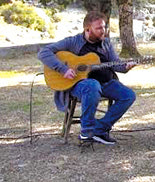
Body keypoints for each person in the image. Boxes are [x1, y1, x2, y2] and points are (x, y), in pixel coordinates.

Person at [38, 11, 136, 145]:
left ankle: (99, 130)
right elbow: (44, 52)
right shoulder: (73, 42)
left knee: (128, 95)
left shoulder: (106, 43)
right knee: (92, 85)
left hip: (106, 82)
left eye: (104, 27)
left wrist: (126, 67)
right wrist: (63, 69)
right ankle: (87, 132)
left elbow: (116, 64)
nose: (104, 31)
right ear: (88, 29)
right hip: (80, 84)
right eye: (99, 28)